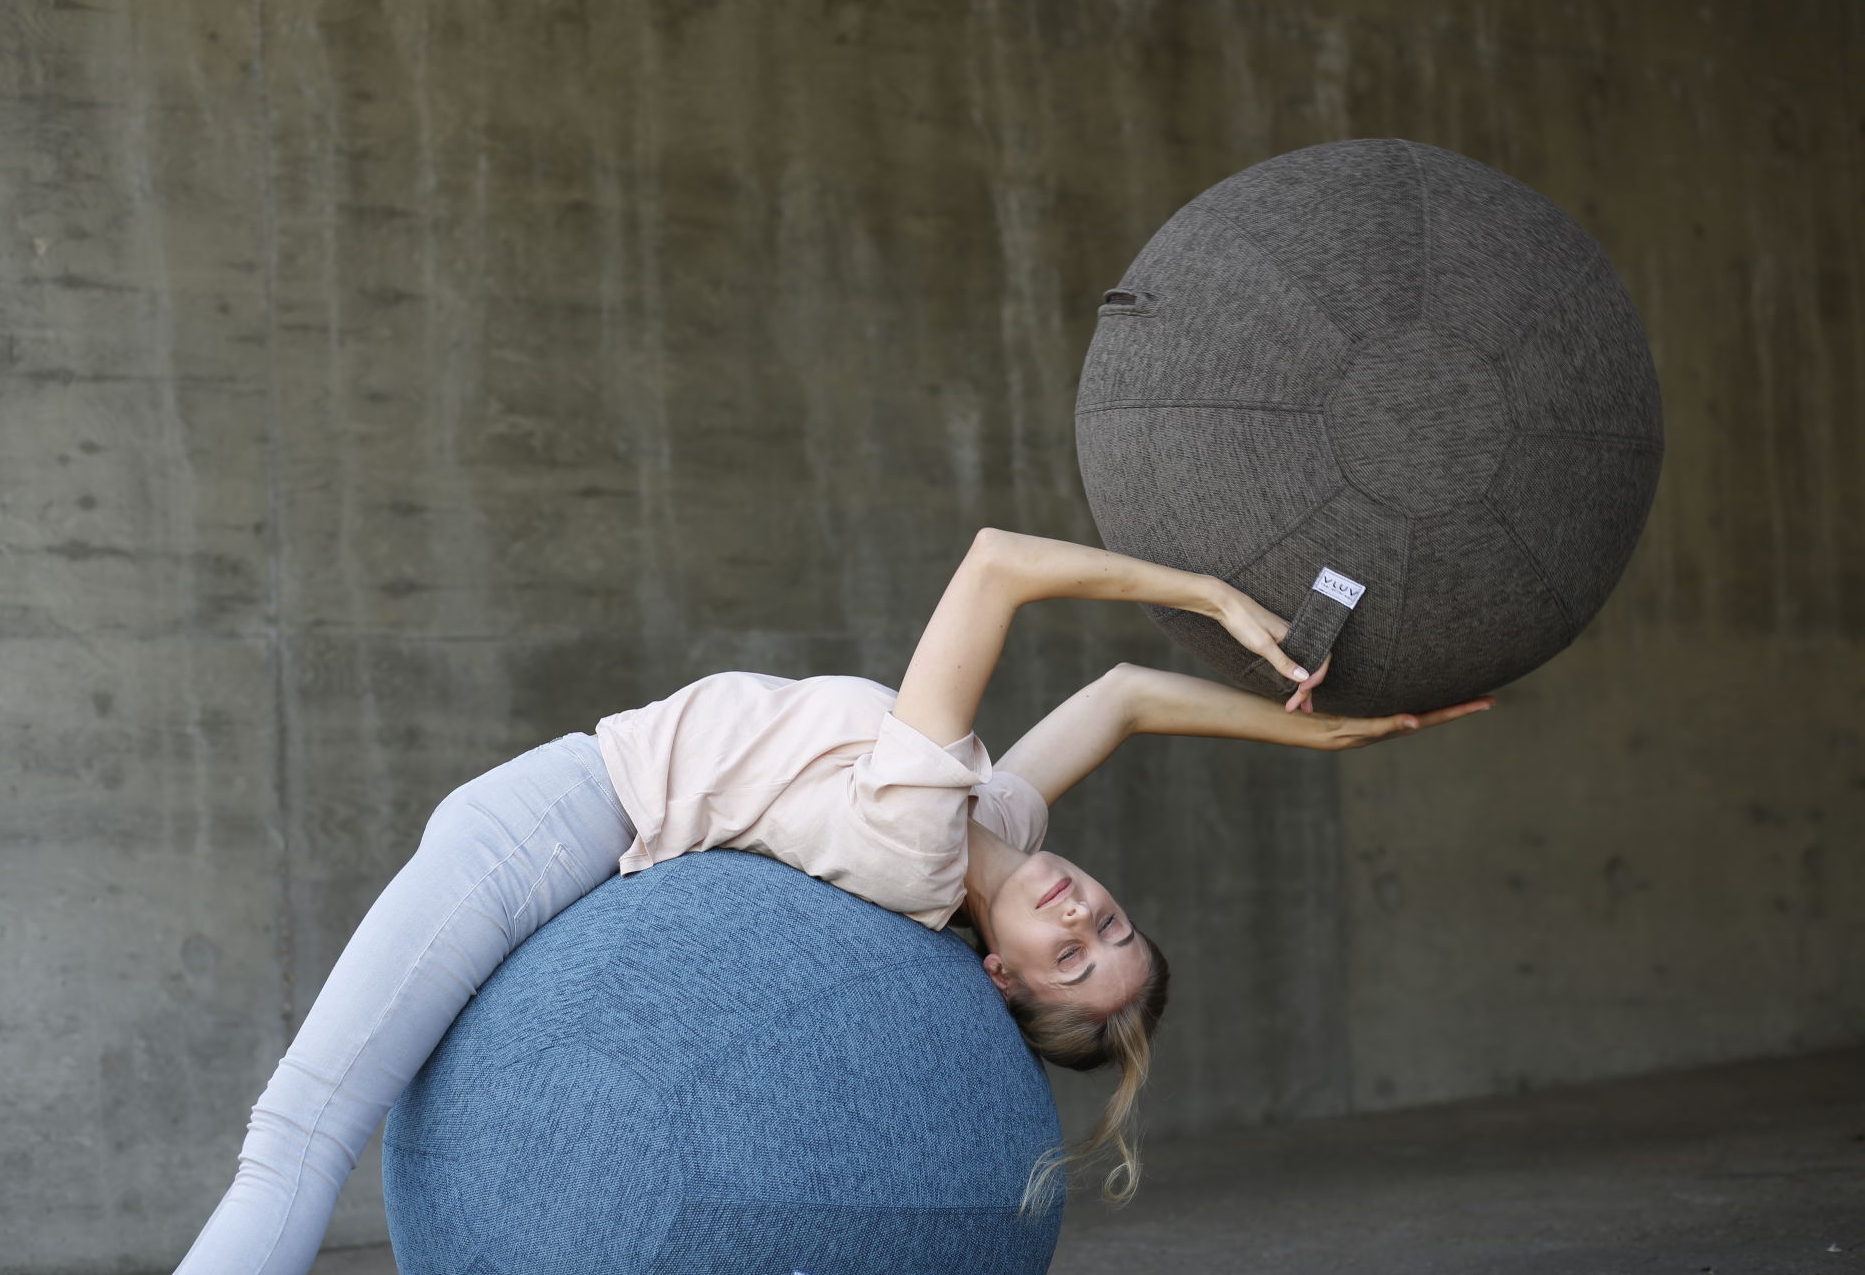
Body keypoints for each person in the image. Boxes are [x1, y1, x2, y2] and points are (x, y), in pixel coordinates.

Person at [174, 528, 1491, 1275]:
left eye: (1070, 958)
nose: (1081, 918)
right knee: (305, 1130)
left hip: (549, 825)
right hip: (573, 832)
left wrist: (1201, 590)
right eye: (1109, 926)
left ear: (1003, 976)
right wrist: (1330, 731)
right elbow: (1126, 700)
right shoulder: (1002, 822)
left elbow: (994, 567)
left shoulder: (918, 841)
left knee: (299, 1131)